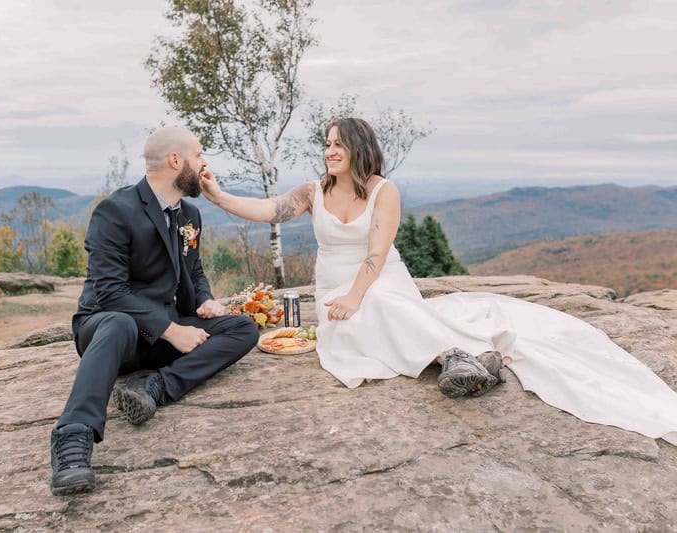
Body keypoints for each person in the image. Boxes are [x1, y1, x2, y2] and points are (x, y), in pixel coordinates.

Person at [199, 117, 677, 446]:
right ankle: (460, 354)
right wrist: (216, 194)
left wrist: (356, 296)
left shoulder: (385, 191)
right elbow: (266, 211)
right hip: (331, 287)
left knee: (379, 309)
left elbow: (376, 255)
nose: (329, 151)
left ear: (358, 149)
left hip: (378, 278)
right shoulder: (312, 191)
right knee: (346, 337)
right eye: (326, 143)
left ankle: (455, 357)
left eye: (338, 144)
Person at [50, 126, 259, 496]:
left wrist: (205, 300)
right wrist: (171, 330)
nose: (204, 162)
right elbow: (110, 292)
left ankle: (156, 388)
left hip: (164, 332)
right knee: (117, 323)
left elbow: (192, 271)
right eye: (198, 155)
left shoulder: (190, 213)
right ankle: (72, 440)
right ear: (175, 161)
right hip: (112, 332)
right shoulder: (115, 211)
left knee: (243, 329)